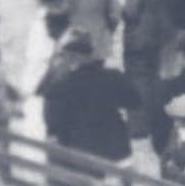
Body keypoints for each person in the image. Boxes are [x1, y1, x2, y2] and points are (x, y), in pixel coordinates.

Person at [43, 31, 143, 165]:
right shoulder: (113, 77)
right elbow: (135, 102)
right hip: (115, 151)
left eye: (63, 56)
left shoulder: (60, 86)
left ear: (72, 57)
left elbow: (53, 125)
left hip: (78, 155)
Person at [122, 0, 175, 135]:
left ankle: (140, 126)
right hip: (164, 33)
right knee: (159, 76)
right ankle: (162, 117)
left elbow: (131, 12)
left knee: (139, 79)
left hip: (140, 37)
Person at [19, 0, 69, 144]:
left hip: (46, 74)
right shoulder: (64, 12)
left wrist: (29, 86)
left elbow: (38, 57)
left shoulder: (43, 23)